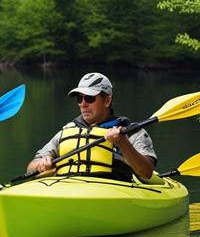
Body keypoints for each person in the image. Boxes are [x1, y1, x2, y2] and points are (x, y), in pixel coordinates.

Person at [26, 72, 156, 181]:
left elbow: (146, 173)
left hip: (113, 190)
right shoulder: (67, 131)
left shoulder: (131, 132)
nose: (83, 104)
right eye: (79, 99)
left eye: (89, 98)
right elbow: (30, 167)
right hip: (67, 188)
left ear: (107, 100)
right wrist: (41, 164)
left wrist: (122, 143)